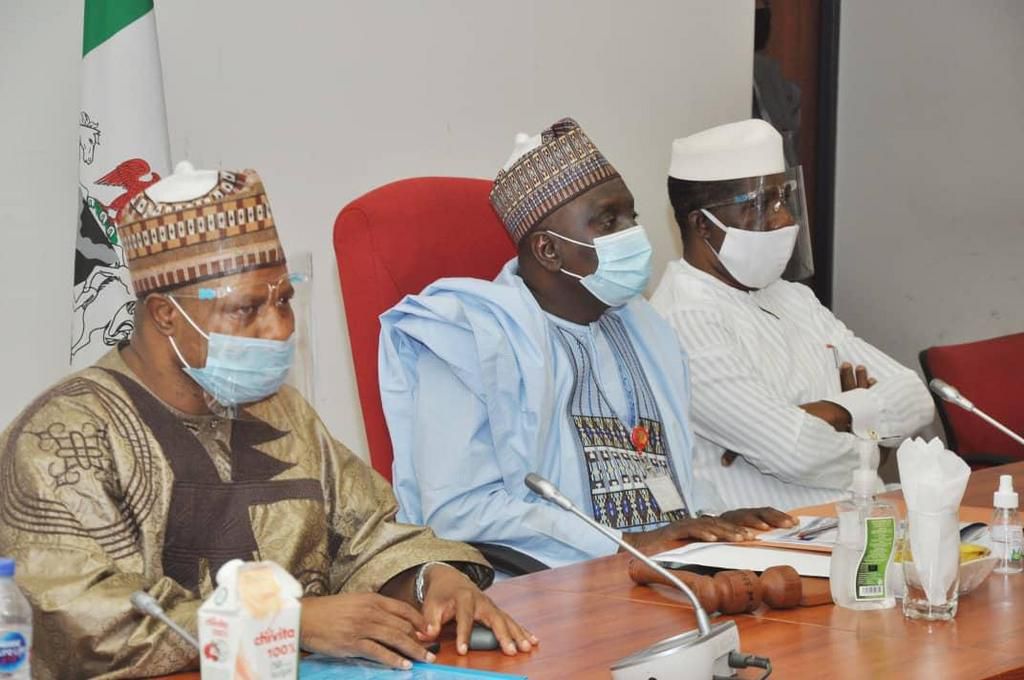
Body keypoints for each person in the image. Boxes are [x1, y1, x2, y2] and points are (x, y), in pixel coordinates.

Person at [0, 164, 534, 679]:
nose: (279, 329)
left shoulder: (279, 409)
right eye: (247, 308)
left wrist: (430, 579)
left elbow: (367, 534)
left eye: (284, 300)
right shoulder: (60, 439)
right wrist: (282, 622)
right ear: (165, 315)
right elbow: (76, 623)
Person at [379, 118, 794, 571]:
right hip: (545, 591)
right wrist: (625, 544)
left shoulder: (645, 329)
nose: (633, 234)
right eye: (608, 221)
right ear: (547, 250)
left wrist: (714, 520)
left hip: (665, 574)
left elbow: (672, 471)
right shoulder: (468, 337)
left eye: (632, 217)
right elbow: (460, 511)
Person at [650, 119, 935, 511]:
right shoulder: (684, 318)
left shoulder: (793, 297)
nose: (785, 219)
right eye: (761, 204)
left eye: (785, 198)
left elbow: (915, 397)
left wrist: (838, 412)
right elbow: (795, 451)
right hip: (780, 537)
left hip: (862, 517)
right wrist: (874, 441)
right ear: (703, 224)